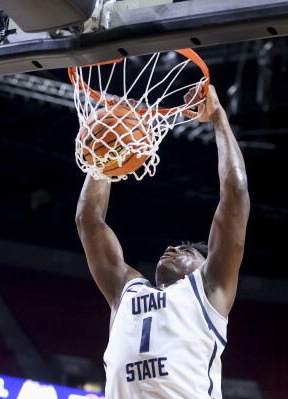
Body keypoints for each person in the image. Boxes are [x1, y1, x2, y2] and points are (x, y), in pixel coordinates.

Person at [75, 84, 250, 398]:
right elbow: (88, 221)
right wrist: (107, 149)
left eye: (186, 250)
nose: (172, 248)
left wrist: (218, 118)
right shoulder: (125, 290)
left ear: (205, 267)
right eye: (176, 246)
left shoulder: (208, 290)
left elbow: (235, 194)